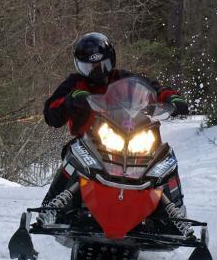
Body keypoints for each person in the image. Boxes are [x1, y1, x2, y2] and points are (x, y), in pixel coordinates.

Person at [41, 32, 188, 208]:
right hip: (90, 142)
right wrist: (70, 100)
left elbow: (153, 89)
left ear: (111, 61)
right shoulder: (74, 83)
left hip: (130, 139)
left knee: (164, 157)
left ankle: (174, 210)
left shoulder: (124, 79)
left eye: (103, 65)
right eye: (91, 67)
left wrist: (171, 98)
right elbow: (51, 112)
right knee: (73, 153)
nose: (97, 71)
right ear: (80, 66)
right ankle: (52, 206)